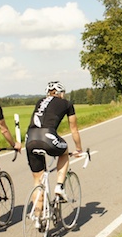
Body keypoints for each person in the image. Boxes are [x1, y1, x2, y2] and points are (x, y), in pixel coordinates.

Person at [25, 81, 83, 220]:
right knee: (64, 152)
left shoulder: (40, 101)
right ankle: (59, 186)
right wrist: (79, 149)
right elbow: (74, 129)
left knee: (37, 181)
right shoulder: (67, 104)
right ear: (61, 93)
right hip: (48, 137)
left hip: (30, 139)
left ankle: (38, 218)